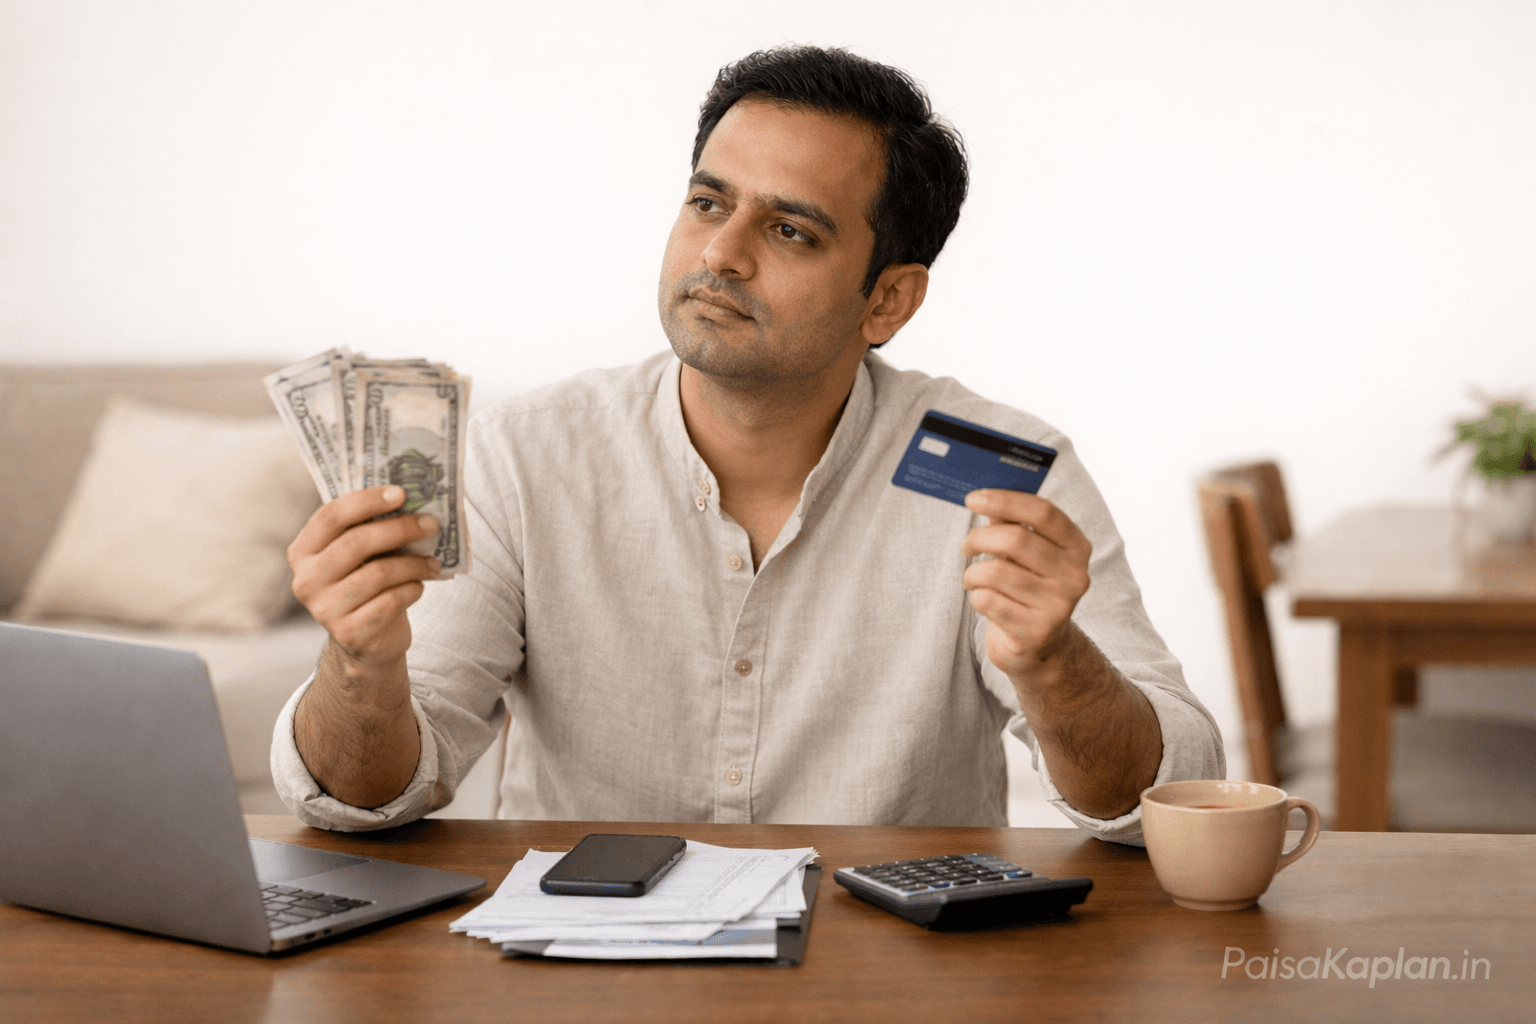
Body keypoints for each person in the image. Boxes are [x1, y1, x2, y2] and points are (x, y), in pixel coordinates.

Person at [273, 45, 1223, 842]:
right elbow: (366, 803)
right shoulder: (523, 459)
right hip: (576, 975)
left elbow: (1164, 802)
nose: (721, 253)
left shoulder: (1004, 469)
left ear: (888, 299)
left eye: (791, 230)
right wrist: (361, 661)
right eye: (706, 203)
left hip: (887, 977)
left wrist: (1058, 663)